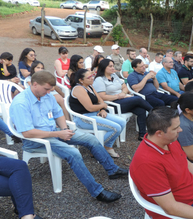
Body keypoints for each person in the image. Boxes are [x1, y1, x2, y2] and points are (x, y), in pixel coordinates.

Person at [10, 70, 128, 203]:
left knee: (91, 139)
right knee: (74, 153)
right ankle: (97, 192)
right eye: (46, 89)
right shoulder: (21, 103)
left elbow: (58, 114)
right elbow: (27, 133)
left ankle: (112, 170)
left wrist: (64, 129)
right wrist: (57, 133)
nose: (49, 92)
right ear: (35, 84)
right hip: (36, 140)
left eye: (51, 89)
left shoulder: (47, 95)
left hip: (53, 132)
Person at [70, 68, 126, 157]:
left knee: (122, 122)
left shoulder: (90, 86)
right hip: (84, 118)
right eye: (89, 77)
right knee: (116, 128)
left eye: (92, 76)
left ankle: (105, 146)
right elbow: (90, 108)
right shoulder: (78, 89)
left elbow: (101, 101)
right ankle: (99, 149)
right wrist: (102, 106)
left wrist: (102, 109)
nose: (92, 78)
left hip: (95, 114)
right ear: (81, 80)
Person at [93, 59, 153, 141]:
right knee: (138, 99)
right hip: (112, 104)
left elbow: (124, 87)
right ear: (103, 68)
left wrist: (123, 93)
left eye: (113, 66)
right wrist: (118, 96)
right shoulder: (99, 79)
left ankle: (142, 135)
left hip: (123, 100)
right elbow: (101, 96)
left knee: (141, 110)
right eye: (110, 66)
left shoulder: (114, 75)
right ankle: (155, 113)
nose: (113, 68)